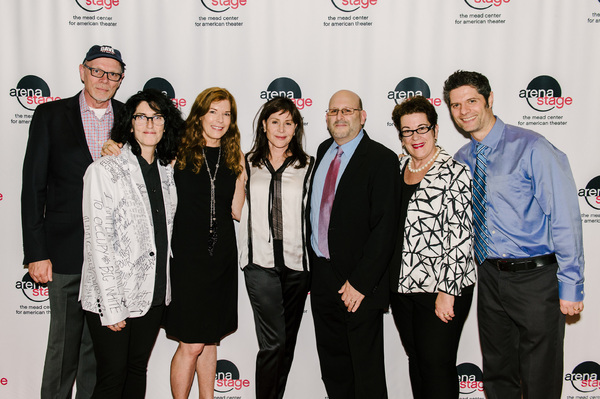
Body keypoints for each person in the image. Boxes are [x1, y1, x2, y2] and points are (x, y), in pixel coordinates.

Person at [444, 70, 585, 399]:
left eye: (472, 101)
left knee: (540, 377)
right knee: (496, 372)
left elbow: (565, 216)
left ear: (489, 99)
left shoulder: (532, 147)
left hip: (536, 280)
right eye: (455, 105)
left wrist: (571, 285)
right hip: (489, 278)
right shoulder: (463, 160)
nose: (464, 111)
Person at [21, 44, 125, 399]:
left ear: (120, 80)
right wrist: (36, 252)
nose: (104, 79)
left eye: (112, 74)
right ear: (82, 71)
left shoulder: (130, 119)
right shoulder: (50, 116)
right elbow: (33, 188)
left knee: (96, 352)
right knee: (63, 349)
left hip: (111, 259)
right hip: (64, 252)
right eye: (97, 70)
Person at [79, 89, 182, 398]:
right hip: (114, 297)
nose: (149, 123)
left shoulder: (168, 172)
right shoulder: (104, 170)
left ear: (166, 124)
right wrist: (111, 306)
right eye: (141, 116)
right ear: (129, 123)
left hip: (152, 294)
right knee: (112, 378)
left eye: (157, 117)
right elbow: (99, 243)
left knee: (137, 370)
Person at [309, 89, 399, 399]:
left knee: (366, 372)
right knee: (334, 369)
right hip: (322, 278)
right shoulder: (322, 151)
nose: (340, 117)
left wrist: (360, 283)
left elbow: (386, 229)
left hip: (360, 284)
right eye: (334, 111)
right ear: (326, 118)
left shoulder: (382, 159)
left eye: (347, 111)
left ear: (362, 117)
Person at [388, 96, 475, 399]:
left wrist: (448, 292)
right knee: (418, 362)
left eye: (422, 128)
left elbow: (462, 236)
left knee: (437, 366)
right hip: (402, 288)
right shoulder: (398, 168)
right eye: (407, 131)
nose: (415, 137)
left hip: (441, 288)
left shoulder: (455, 173)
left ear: (436, 130)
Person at [166, 87, 245, 399]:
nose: (220, 119)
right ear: (199, 114)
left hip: (222, 257)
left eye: (226, 113)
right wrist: (115, 144)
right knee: (192, 343)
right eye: (213, 111)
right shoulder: (176, 151)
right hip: (188, 260)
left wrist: (245, 177)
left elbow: (236, 210)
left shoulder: (235, 155)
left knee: (210, 340)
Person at [238, 97, 314, 399]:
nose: (281, 129)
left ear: (296, 128)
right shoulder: (244, 162)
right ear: (264, 126)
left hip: (298, 266)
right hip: (259, 264)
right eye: (275, 121)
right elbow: (232, 206)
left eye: (288, 122)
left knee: (287, 344)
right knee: (273, 343)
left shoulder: (309, 164)